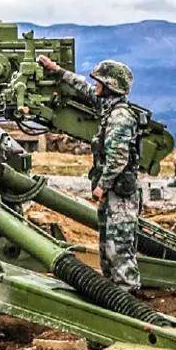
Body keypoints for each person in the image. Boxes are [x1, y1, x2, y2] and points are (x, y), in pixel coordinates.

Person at [37, 55, 144, 294]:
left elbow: (118, 158)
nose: (95, 85)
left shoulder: (120, 117)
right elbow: (84, 89)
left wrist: (102, 186)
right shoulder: (108, 107)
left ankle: (128, 298)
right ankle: (115, 294)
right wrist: (57, 71)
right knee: (107, 248)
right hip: (113, 194)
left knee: (119, 248)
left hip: (120, 195)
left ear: (111, 87)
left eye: (100, 82)